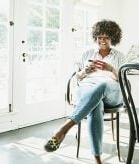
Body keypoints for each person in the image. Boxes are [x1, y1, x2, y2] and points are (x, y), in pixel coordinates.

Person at [44, 19, 126, 164]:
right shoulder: (87, 52)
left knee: (102, 85)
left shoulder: (119, 56)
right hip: (87, 88)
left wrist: (110, 69)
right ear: (96, 37)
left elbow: (122, 80)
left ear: (112, 37)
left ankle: (64, 128)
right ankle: (97, 159)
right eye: (99, 37)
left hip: (111, 90)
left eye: (106, 37)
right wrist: (85, 71)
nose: (102, 40)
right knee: (96, 106)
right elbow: (78, 77)